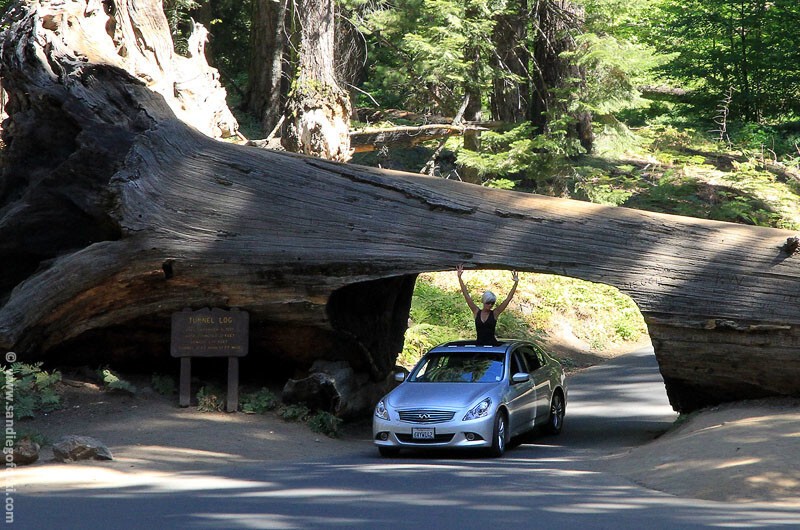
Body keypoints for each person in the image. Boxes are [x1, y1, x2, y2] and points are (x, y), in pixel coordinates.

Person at [457, 265, 519, 345]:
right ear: (483, 301)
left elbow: (508, 299)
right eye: (488, 302)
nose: (490, 305)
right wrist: (459, 278)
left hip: (493, 347)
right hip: (479, 346)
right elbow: (466, 296)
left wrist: (516, 283)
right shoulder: (476, 312)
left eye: (492, 303)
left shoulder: (495, 313)